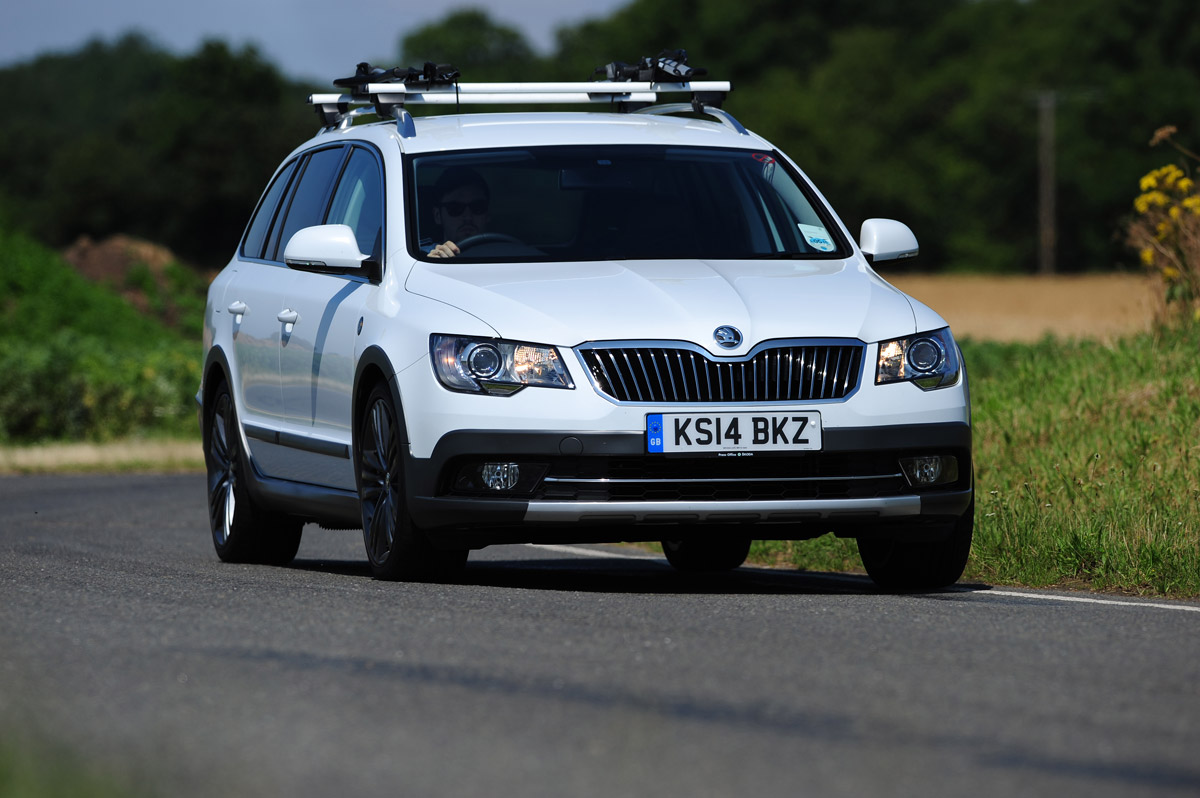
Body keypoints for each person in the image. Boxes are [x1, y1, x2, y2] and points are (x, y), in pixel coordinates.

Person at [427, 167, 491, 259]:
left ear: (487, 213)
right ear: (437, 215)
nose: (468, 217)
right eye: (455, 208)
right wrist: (432, 264)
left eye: (477, 207)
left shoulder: (507, 252)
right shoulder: (419, 256)